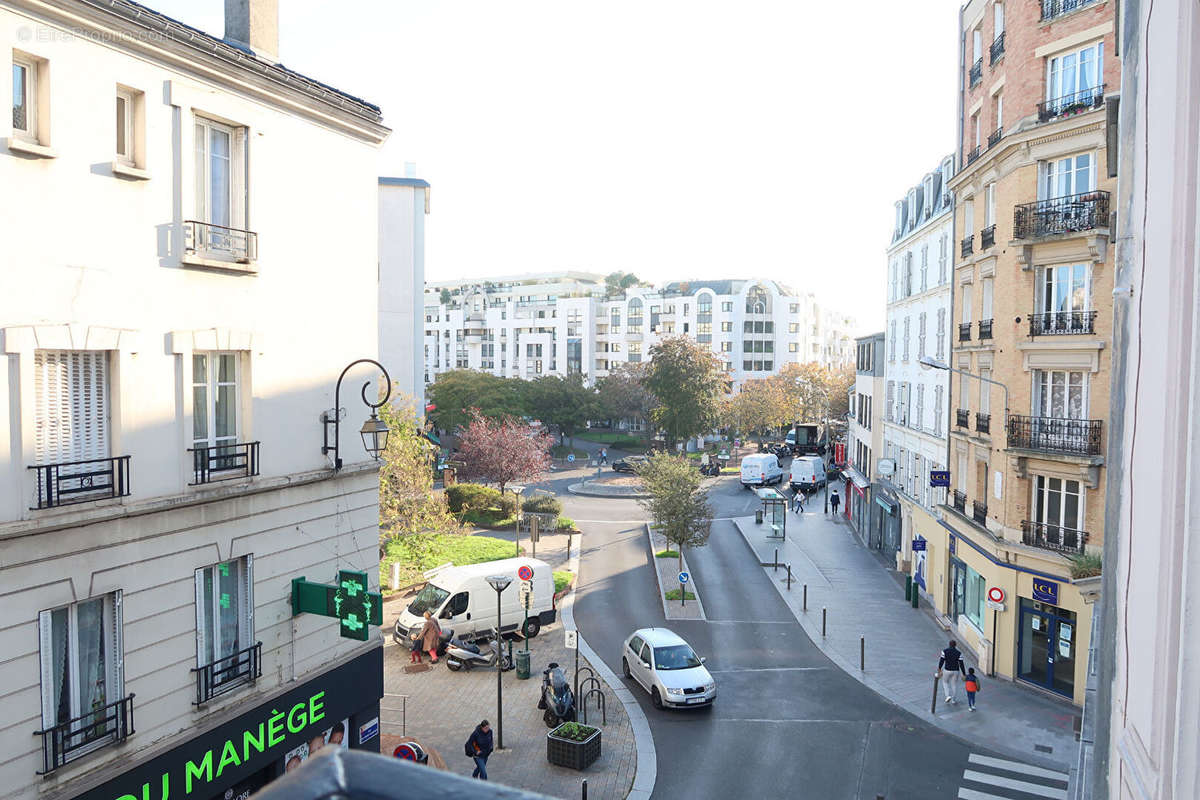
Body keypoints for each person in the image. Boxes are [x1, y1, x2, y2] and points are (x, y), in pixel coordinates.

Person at [938, 639, 965, 704]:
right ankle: (953, 700)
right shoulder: (959, 653)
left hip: (947, 670)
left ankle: (947, 696)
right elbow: (961, 664)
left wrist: (939, 668)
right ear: (955, 645)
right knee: (954, 685)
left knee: (945, 682)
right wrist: (964, 673)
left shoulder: (944, 651)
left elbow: (942, 660)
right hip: (956, 671)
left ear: (949, 644)